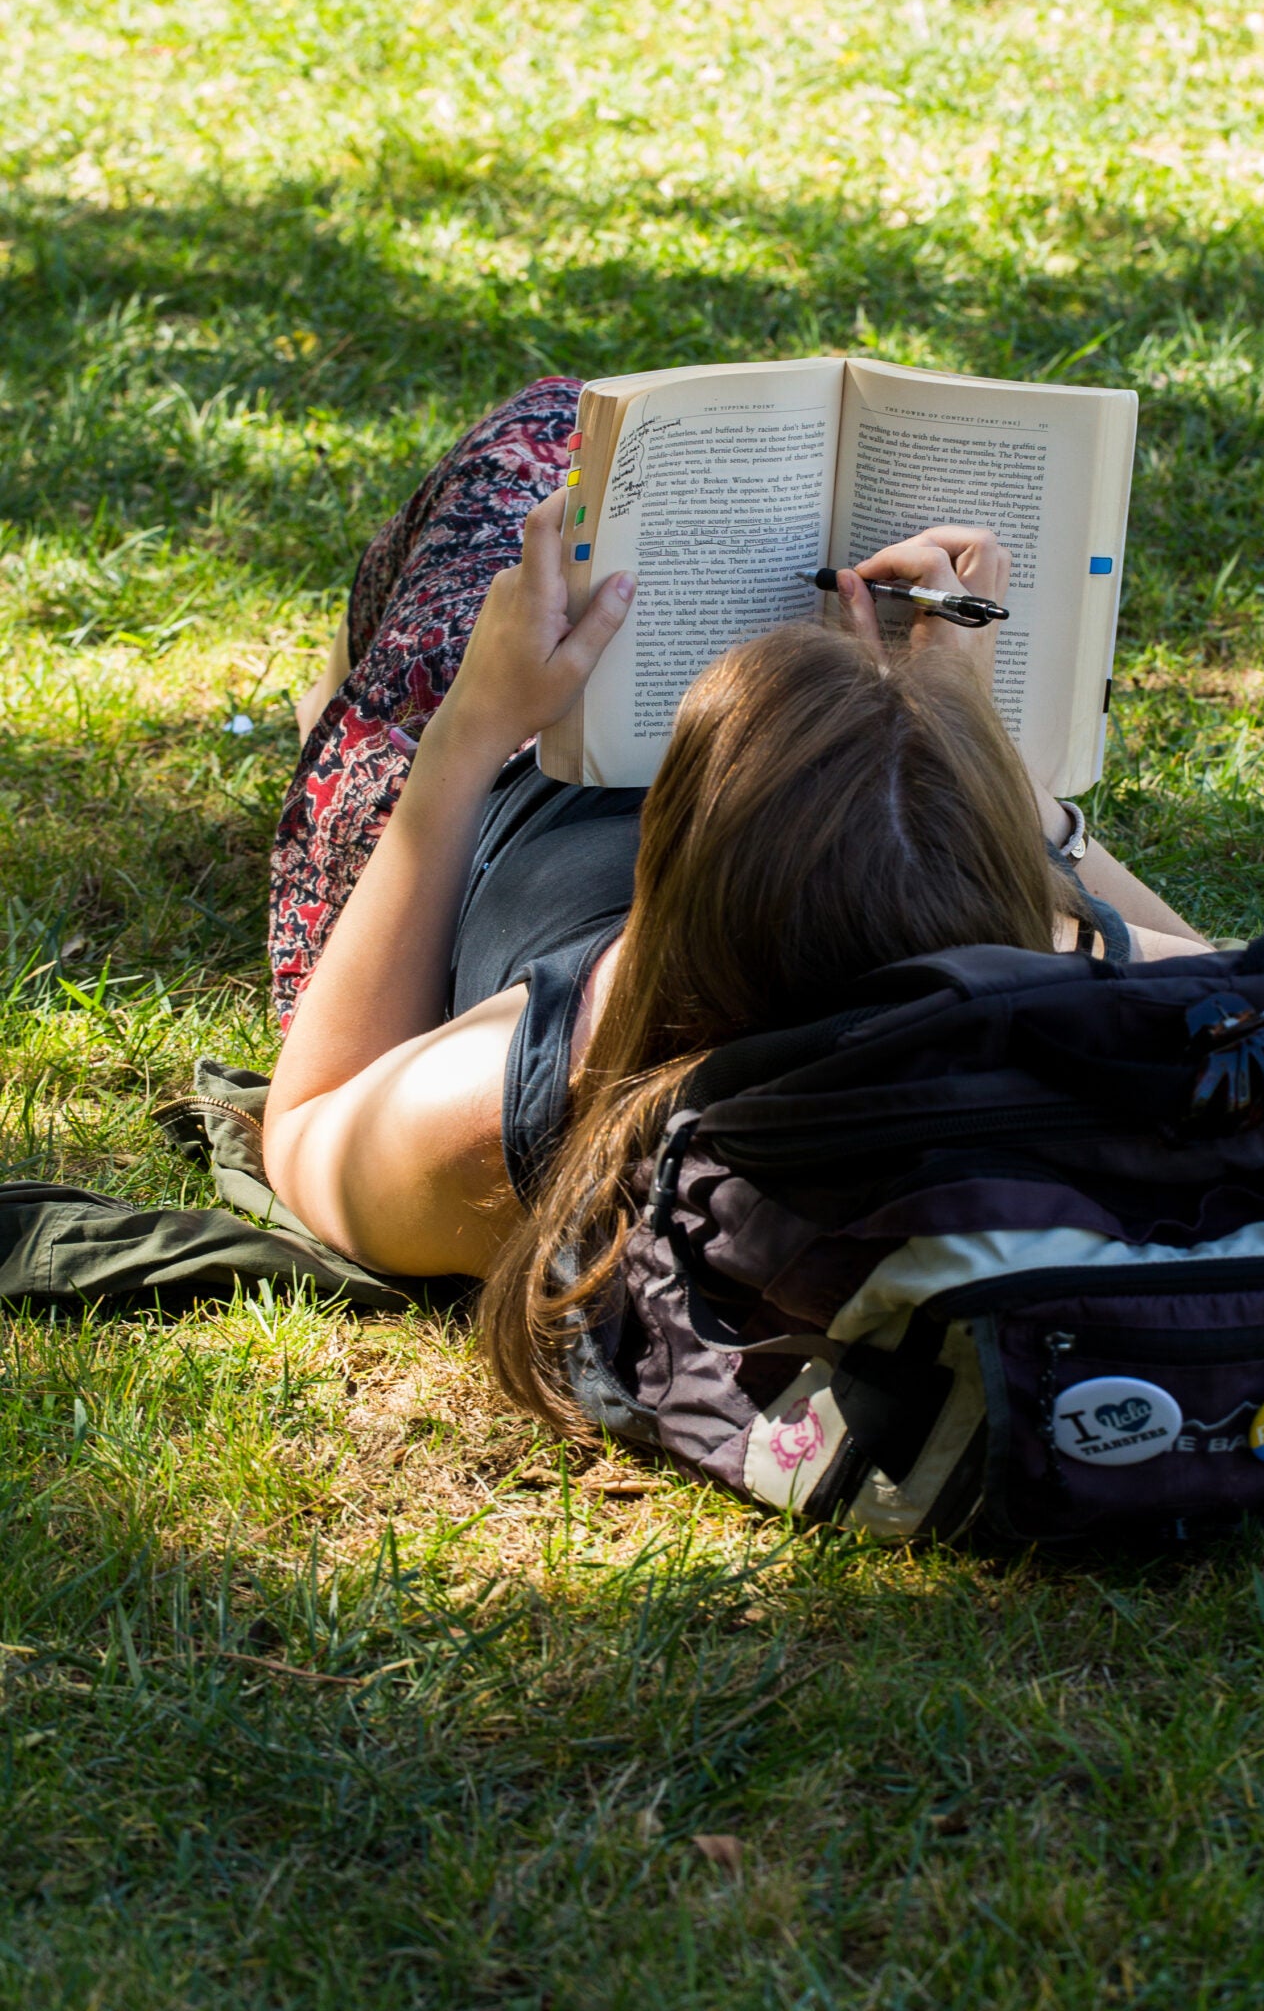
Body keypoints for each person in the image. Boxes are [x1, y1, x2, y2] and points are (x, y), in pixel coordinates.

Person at [261, 382, 1206, 1423]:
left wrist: (471, 729)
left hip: (490, 810)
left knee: (537, 441)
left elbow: (309, 1121)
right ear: (1007, 899)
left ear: (672, 881)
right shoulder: (1079, 996)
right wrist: (980, 756)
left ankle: (337, 708)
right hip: (814, 805)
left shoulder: (559, 1080)